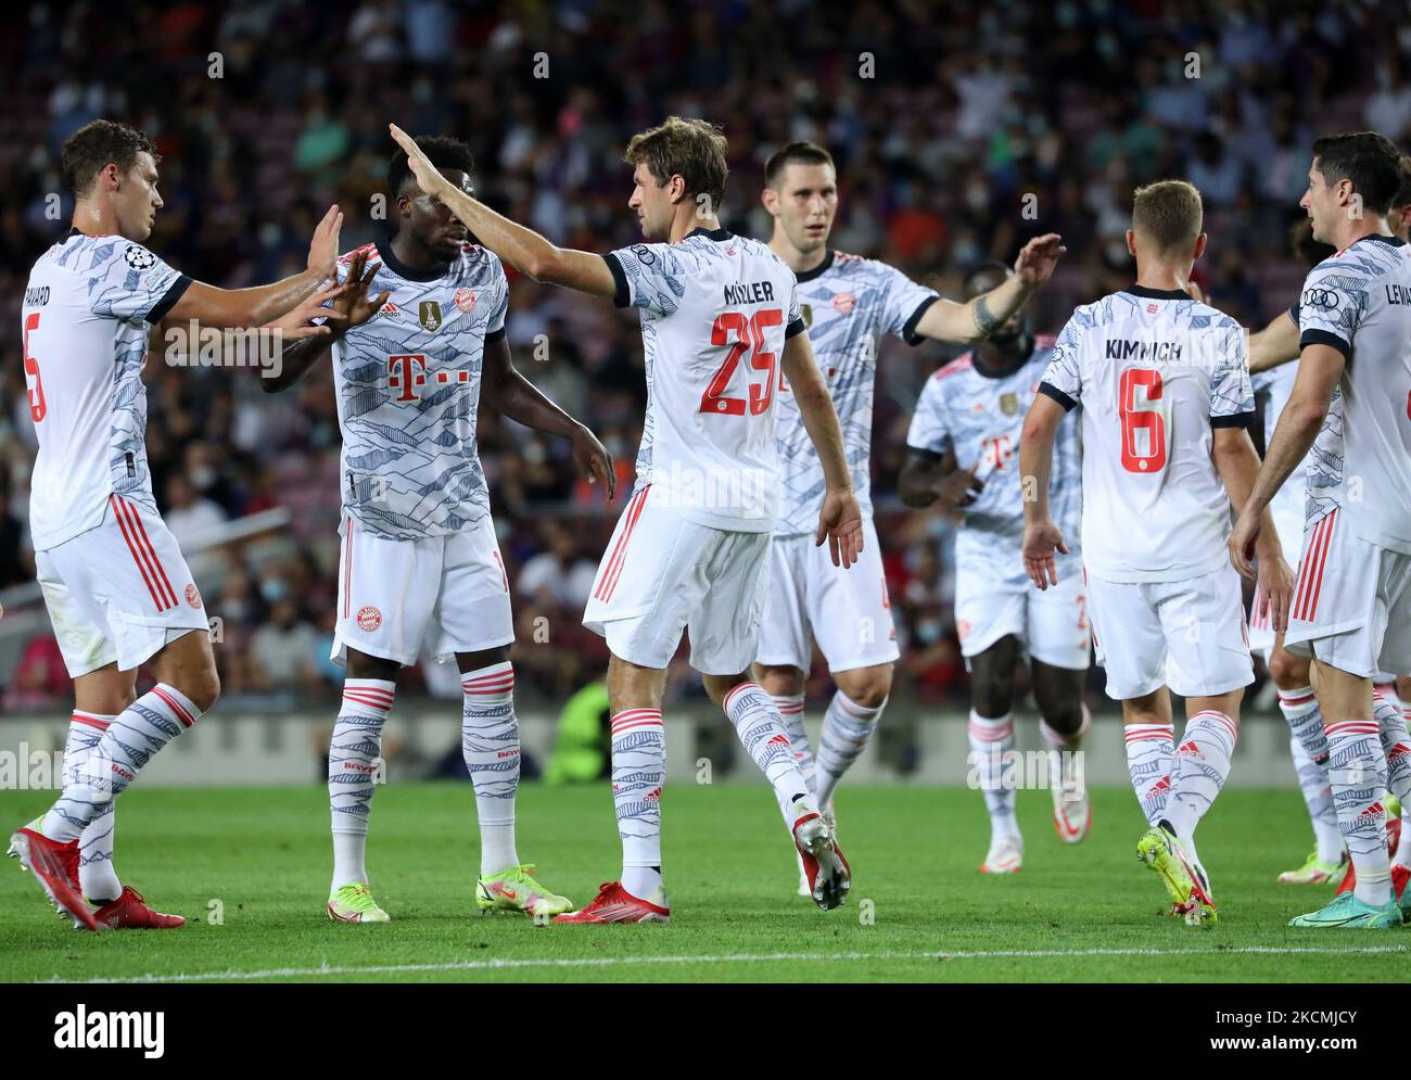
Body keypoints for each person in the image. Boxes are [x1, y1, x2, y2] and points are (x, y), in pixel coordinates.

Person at [390, 117, 862, 923]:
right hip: (757, 502)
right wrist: (840, 485)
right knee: (726, 677)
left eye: (640, 182)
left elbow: (537, 262)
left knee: (630, 673)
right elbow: (811, 388)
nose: (631, 196)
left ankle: (640, 879)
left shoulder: (665, 268)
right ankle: (800, 802)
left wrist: (440, 193)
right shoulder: (769, 266)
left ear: (676, 187)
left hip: (678, 494)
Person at [263, 135, 614, 923]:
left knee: (492, 680)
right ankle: (346, 880)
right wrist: (325, 324)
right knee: (371, 693)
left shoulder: (483, 272)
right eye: (443, 196)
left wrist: (573, 431)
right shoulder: (355, 272)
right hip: (384, 512)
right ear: (401, 202)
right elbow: (269, 372)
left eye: (465, 196)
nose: (459, 212)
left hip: (463, 506)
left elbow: (501, 384)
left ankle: (500, 869)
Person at [9, 119, 347, 932]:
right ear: (113, 179)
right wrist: (312, 278)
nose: (160, 198)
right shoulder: (114, 258)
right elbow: (223, 307)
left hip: (50, 510)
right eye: (152, 182)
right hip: (108, 501)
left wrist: (280, 333)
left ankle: (96, 885)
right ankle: (56, 833)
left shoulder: (49, 269)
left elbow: (186, 338)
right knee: (194, 678)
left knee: (101, 697)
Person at [756, 141, 1067, 889]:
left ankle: (814, 808)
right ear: (771, 201)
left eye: (826, 192)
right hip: (755, 523)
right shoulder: (741, 279)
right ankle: (807, 819)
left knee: (867, 681)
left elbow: (963, 322)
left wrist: (1018, 289)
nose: (818, 206)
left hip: (840, 517)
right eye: (801, 194)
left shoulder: (866, 284)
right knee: (775, 687)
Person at [1021, 179, 1293, 927]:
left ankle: (1187, 870)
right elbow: (1232, 447)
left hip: (1108, 554)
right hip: (1192, 549)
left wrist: (1036, 519)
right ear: (1199, 247)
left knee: (1143, 703)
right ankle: (1174, 829)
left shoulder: (1088, 323)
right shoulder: (1216, 333)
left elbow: (1037, 428)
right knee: (1216, 702)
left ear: (1131, 242)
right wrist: (1265, 545)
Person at [1229, 132, 1411, 929]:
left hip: (1354, 507)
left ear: (1345, 194)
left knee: (1341, 693)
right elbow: (1259, 348)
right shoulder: (1402, 272)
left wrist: (1251, 505)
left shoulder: (1337, 277)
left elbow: (1306, 401)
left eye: (1311, 185)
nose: (1301, 199)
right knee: (1386, 693)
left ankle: (1369, 888)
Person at [901, 262, 1089, 875]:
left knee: (1059, 704)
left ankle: (1066, 763)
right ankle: (1003, 829)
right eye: (996, 310)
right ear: (976, 319)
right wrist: (942, 485)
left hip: (1064, 547)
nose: (1009, 318)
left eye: (1017, 306)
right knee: (990, 681)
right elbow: (910, 478)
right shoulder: (947, 386)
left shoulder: (1063, 358)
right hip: (986, 552)